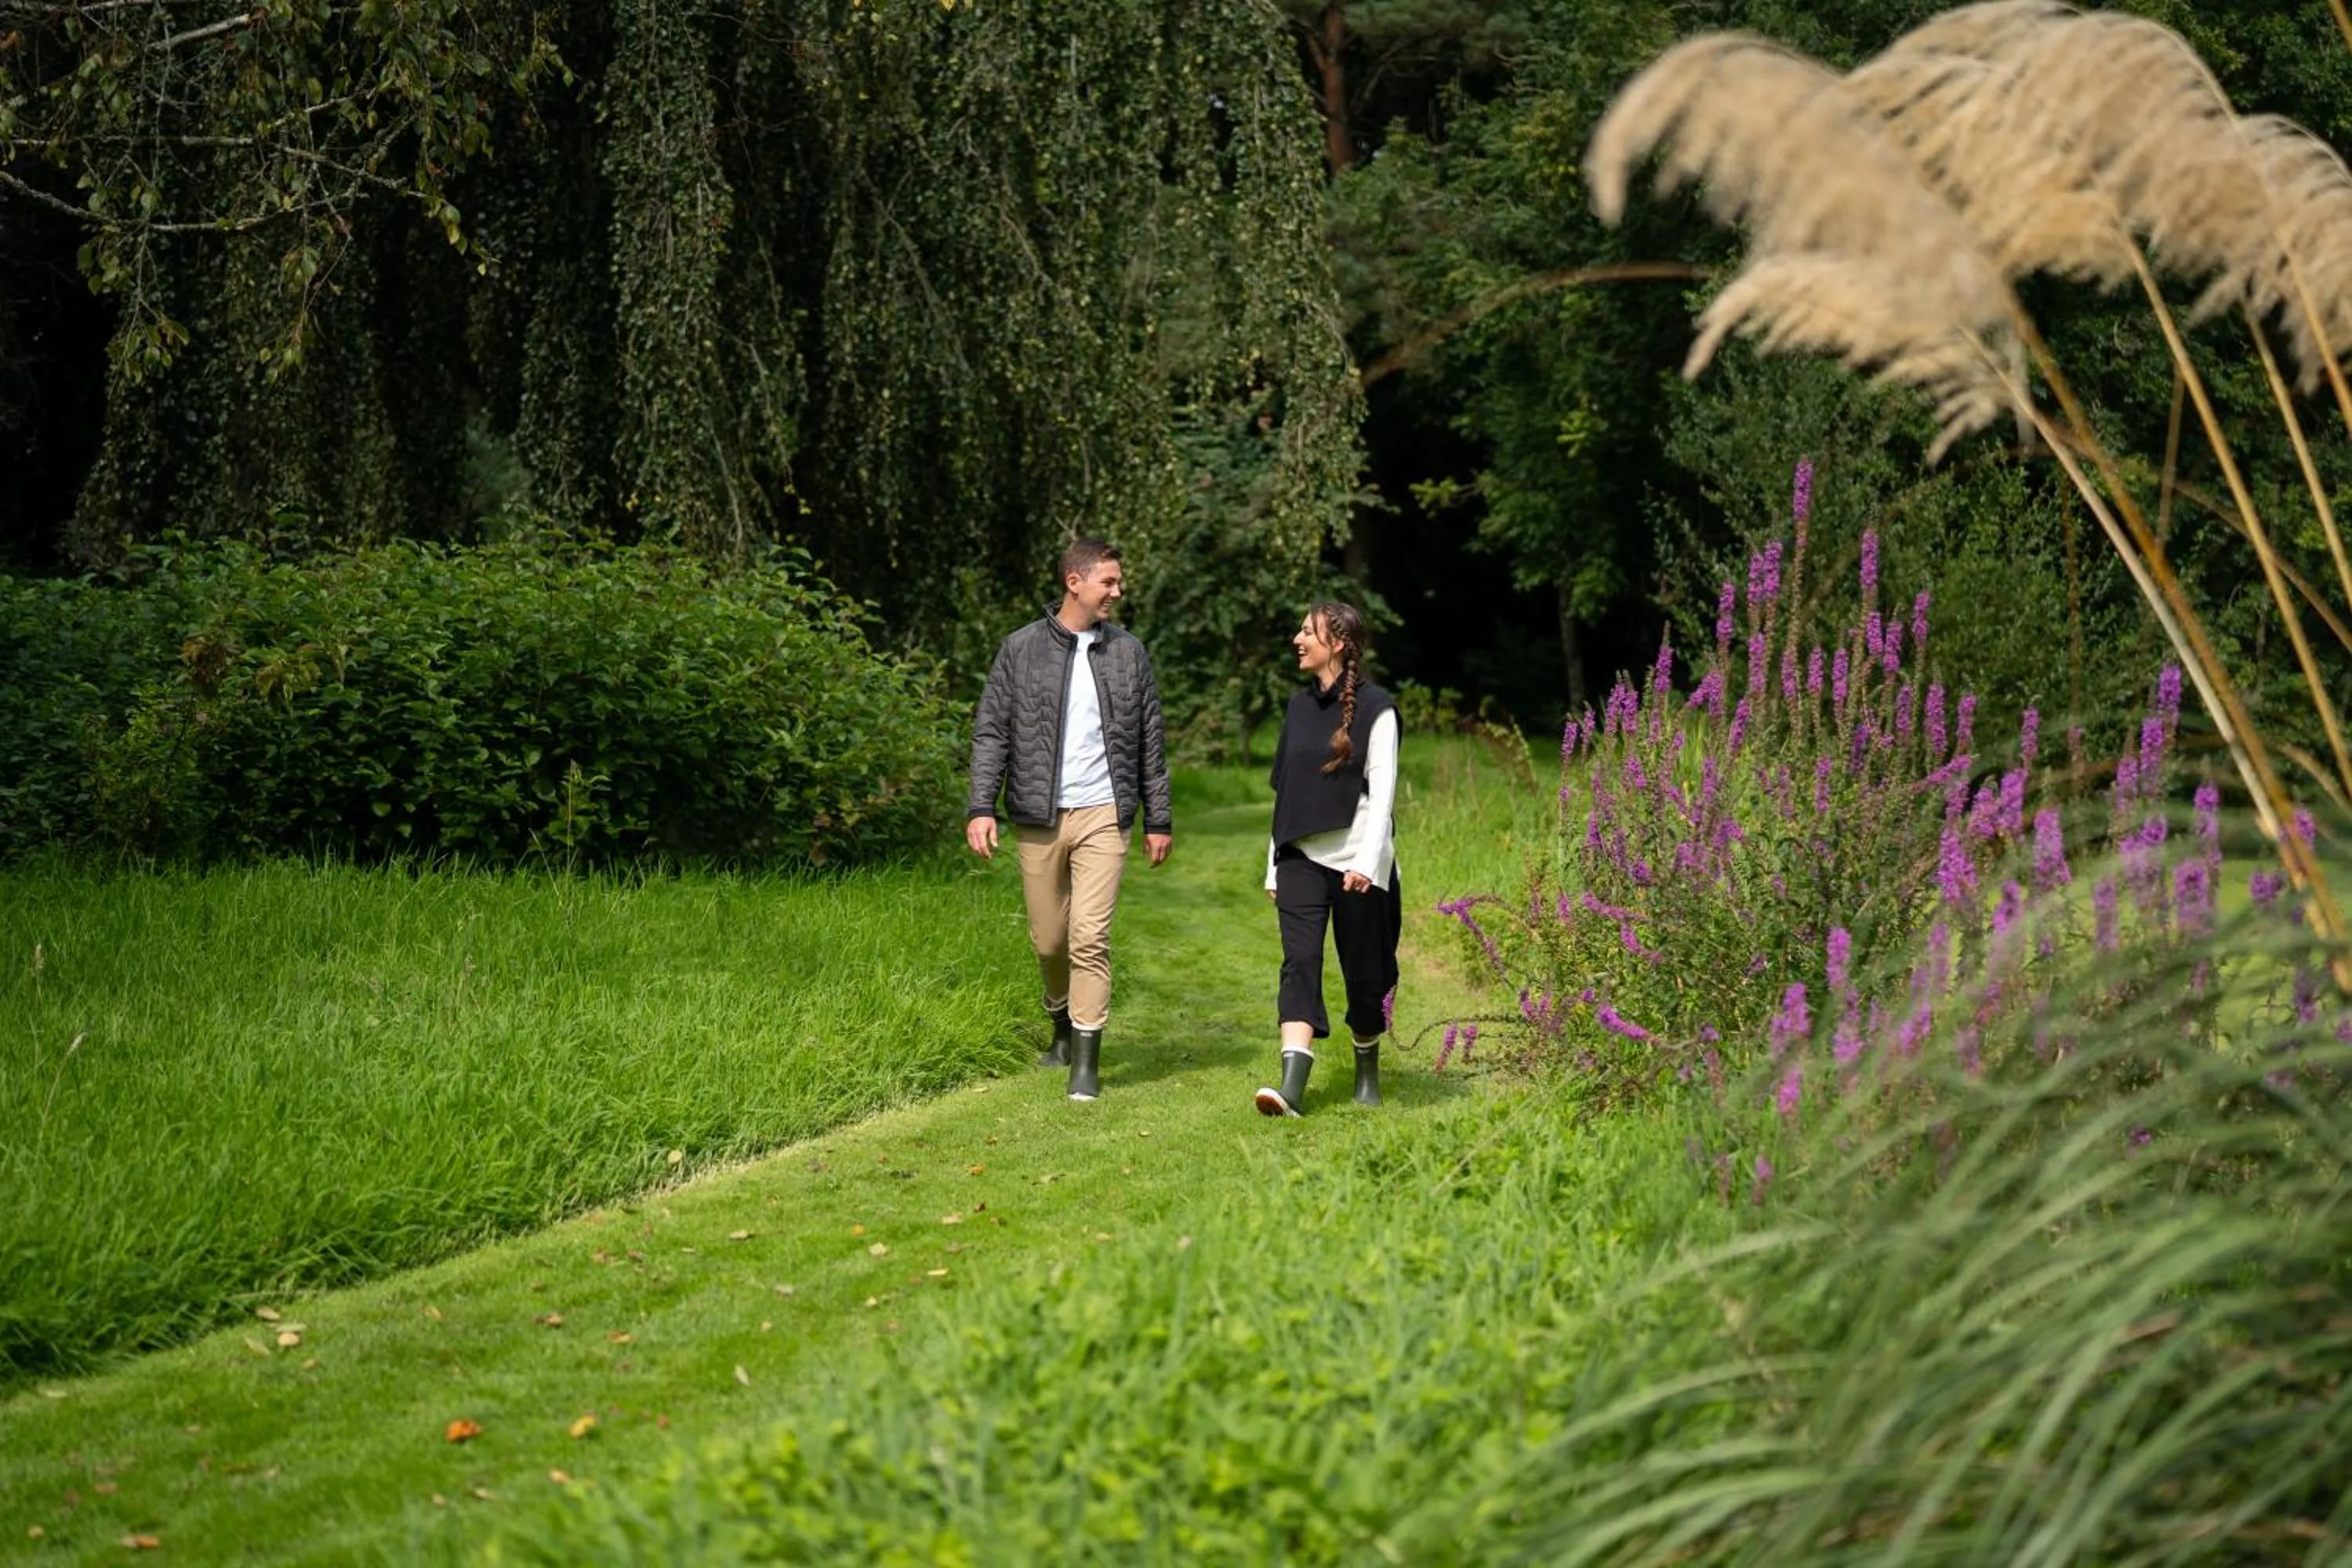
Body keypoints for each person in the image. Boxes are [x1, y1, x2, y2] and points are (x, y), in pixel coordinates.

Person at [967, 539, 1173, 1102]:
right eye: (1109, 581)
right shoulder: (1020, 649)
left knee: (1089, 935)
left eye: (1118, 582)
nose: (1118, 591)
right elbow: (991, 732)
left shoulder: (1129, 653)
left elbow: (1150, 741)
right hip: (1038, 815)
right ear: (1073, 582)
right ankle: (1060, 1024)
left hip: (1105, 812)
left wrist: (1158, 817)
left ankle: (1086, 1062)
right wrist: (981, 807)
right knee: (1050, 941)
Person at [1255, 601, 1400, 1118]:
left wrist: (1366, 861)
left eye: (1307, 632)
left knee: (1365, 975)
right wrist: (1274, 861)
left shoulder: (1378, 708)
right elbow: (1287, 792)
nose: (1297, 640)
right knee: (1299, 963)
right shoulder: (1298, 708)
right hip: (1300, 856)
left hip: (1358, 860)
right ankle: (1291, 1089)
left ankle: (1367, 1069)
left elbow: (1382, 796)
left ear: (1337, 643)